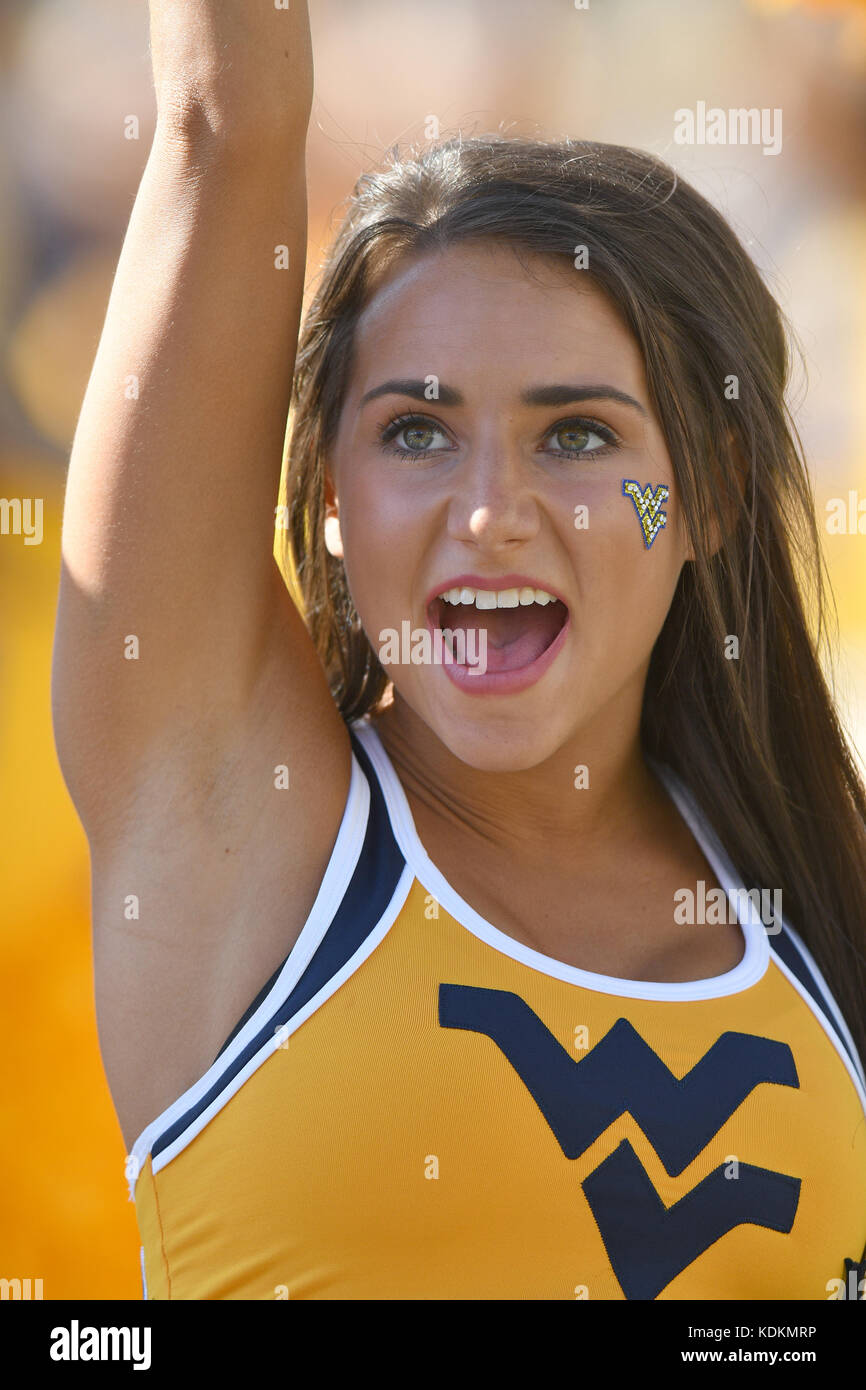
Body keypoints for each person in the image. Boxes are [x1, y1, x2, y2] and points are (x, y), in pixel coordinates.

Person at [52, 0, 866, 1300]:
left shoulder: (817, 906)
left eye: (579, 435)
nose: (488, 512)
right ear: (322, 493)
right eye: (415, 434)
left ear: (704, 493)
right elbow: (227, 118)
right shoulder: (239, 827)